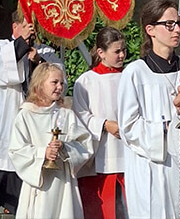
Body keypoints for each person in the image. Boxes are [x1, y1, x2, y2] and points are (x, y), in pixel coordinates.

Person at [117, 0, 180, 219]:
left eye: (178, 24)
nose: (176, 29)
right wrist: (168, 127)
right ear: (150, 30)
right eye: (169, 24)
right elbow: (128, 126)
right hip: (153, 166)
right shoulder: (135, 72)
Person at [0, 11, 64, 215]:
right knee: (3, 165)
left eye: (34, 27)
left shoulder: (44, 52)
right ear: (15, 27)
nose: (31, 31)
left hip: (35, 119)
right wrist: (21, 45)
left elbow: (58, 79)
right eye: (26, 26)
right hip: (4, 116)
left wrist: (37, 60)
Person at [8, 62, 93, 219]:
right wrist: (43, 153)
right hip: (39, 183)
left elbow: (85, 144)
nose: (60, 87)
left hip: (63, 183)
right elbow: (16, 150)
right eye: (54, 82)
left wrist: (66, 148)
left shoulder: (66, 114)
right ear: (40, 84)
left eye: (61, 83)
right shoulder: (26, 115)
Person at [72, 27, 127, 219]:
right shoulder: (86, 81)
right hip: (99, 153)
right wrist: (104, 124)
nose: (122, 55)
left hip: (128, 149)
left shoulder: (130, 77)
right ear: (101, 53)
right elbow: (80, 115)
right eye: (117, 51)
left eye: (123, 50)